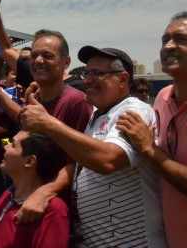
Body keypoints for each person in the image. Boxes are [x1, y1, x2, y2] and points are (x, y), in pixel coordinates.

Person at [21, 46, 166, 246]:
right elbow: (78, 160)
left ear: (123, 79)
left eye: (97, 74)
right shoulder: (96, 115)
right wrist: (48, 190)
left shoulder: (133, 110)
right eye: (86, 73)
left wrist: (48, 123)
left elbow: (108, 160)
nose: (87, 80)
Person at [116, 12, 187, 248]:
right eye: (165, 39)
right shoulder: (164, 98)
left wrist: (147, 149)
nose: (168, 46)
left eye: (181, 40)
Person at [0, 0, 92, 224]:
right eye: (34, 55)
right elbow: (4, 47)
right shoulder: (35, 98)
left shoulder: (75, 101)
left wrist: (45, 192)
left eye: (47, 55)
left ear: (66, 62)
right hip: (26, 200)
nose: (38, 61)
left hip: (56, 208)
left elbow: (78, 162)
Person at [0, 132, 69, 248]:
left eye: (13, 144)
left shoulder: (53, 210)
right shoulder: (7, 195)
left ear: (29, 161)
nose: (5, 146)